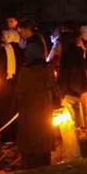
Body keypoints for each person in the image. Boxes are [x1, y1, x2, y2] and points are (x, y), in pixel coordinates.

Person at [14, 19, 55, 166]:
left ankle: (34, 156)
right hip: (41, 103)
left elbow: (21, 90)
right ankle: (41, 154)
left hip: (32, 105)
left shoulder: (29, 71)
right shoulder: (45, 70)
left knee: (34, 128)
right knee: (41, 128)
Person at [57, 29, 87, 129]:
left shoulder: (68, 54)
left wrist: (62, 88)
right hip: (75, 85)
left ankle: (76, 128)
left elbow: (66, 72)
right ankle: (79, 127)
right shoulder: (77, 52)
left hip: (70, 85)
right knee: (75, 105)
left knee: (71, 106)